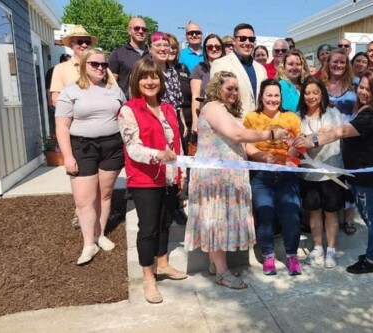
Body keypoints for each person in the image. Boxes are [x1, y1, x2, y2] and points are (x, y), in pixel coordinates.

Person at [184, 71, 289, 288]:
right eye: (228, 88)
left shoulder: (226, 111)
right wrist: (271, 135)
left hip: (227, 178)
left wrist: (264, 156)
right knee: (217, 222)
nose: (233, 92)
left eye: (235, 88)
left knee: (219, 222)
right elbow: (237, 136)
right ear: (216, 88)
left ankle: (216, 265)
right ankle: (222, 272)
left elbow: (243, 144)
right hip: (216, 179)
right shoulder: (213, 107)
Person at [293, 69, 373, 274]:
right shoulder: (368, 110)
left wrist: (312, 139)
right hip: (362, 176)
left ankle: (372, 260)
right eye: (362, 87)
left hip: (371, 178)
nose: (364, 92)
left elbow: (341, 131)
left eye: (370, 88)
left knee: (372, 218)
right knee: (371, 217)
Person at [118, 58, 187, 304]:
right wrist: (157, 155)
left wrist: (180, 174)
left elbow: (177, 143)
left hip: (169, 177)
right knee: (148, 228)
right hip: (144, 179)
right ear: (137, 81)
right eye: (145, 77)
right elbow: (133, 148)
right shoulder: (129, 109)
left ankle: (164, 263)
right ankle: (148, 276)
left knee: (165, 222)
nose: (150, 81)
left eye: (155, 76)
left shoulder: (168, 108)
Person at [55, 48, 125, 266]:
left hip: (112, 146)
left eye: (104, 65)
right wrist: (67, 156)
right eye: (95, 64)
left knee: (104, 195)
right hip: (83, 148)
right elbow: (62, 126)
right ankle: (88, 244)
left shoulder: (115, 90)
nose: (100, 68)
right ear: (84, 66)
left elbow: (124, 116)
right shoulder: (70, 92)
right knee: (84, 200)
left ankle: (100, 234)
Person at [243, 79, 302, 276]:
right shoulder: (251, 118)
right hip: (261, 174)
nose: (273, 99)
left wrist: (292, 148)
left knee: (291, 216)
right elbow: (247, 145)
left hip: (287, 174)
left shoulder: (291, 118)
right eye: (269, 95)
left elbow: (300, 146)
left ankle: (292, 256)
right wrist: (264, 157)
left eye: (276, 95)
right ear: (261, 96)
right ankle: (268, 256)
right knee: (265, 215)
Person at [297, 76, 344, 268]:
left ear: (322, 94)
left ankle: (331, 249)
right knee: (314, 212)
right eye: (307, 93)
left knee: (331, 212)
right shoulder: (298, 117)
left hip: (330, 172)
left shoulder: (332, 113)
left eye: (315, 92)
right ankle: (317, 247)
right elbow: (296, 141)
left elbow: (328, 134)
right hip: (308, 174)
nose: (311, 96)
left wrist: (307, 138)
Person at [148, 31, 188, 225]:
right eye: (158, 46)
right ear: (150, 49)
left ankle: (175, 207)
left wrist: (183, 123)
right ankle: (161, 210)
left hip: (174, 122)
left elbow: (177, 101)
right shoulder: (148, 70)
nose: (163, 49)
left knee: (176, 165)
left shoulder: (172, 70)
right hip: (155, 123)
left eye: (166, 46)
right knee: (161, 165)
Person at [321, 47, 358, 235]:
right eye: (335, 61)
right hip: (327, 140)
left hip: (349, 139)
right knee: (328, 178)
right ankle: (328, 216)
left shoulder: (356, 84)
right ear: (328, 63)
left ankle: (349, 219)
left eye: (342, 62)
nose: (338, 65)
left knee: (348, 178)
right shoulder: (321, 84)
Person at [211, 23, 267, 118]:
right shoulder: (220, 64)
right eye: (242, 38)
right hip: (233, 126)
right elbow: (217, 102)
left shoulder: (261, 69)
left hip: (258, 127)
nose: (247, 42)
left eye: (251, 39)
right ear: (233, 41)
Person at [50, 25, 97, 107]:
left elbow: (111, 89)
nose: (84, 45)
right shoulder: (60, 69)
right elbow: (55, 99)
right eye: (80, 42)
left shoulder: (100, 66)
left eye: (88, 42)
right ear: (71, 44)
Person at [190, 33, 224, 134]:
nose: (214, 49)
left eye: (217, 46)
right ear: (205, 49)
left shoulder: (228, 67)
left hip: (225, 118)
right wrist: (195, 122)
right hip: (204, 118)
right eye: (210, 47)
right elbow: (195, 97)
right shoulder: (199, 69)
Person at [108, 17, 150, 98]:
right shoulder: (118, 53)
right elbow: (111, 82)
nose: (141, 31)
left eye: (144, 29)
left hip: (149, 103)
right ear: (129, 30)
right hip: (126, 103)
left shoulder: (152, 54)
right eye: (137, 28)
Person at [166, 33, 192, 149]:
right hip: (164, 120)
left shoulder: (182, 68)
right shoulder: (155, 69)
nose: (172, 50)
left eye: (174, 47)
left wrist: (184, 123)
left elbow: (179, 99)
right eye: (169, 47)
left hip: (182, 119)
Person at [45, 53, 71, 134]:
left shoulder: (70, 71)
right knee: (58, 123)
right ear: (62, 61)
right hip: (57, 102)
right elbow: (48, 87)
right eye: (68, 62)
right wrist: (50, 101)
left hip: (69, 101)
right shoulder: (53, 71)